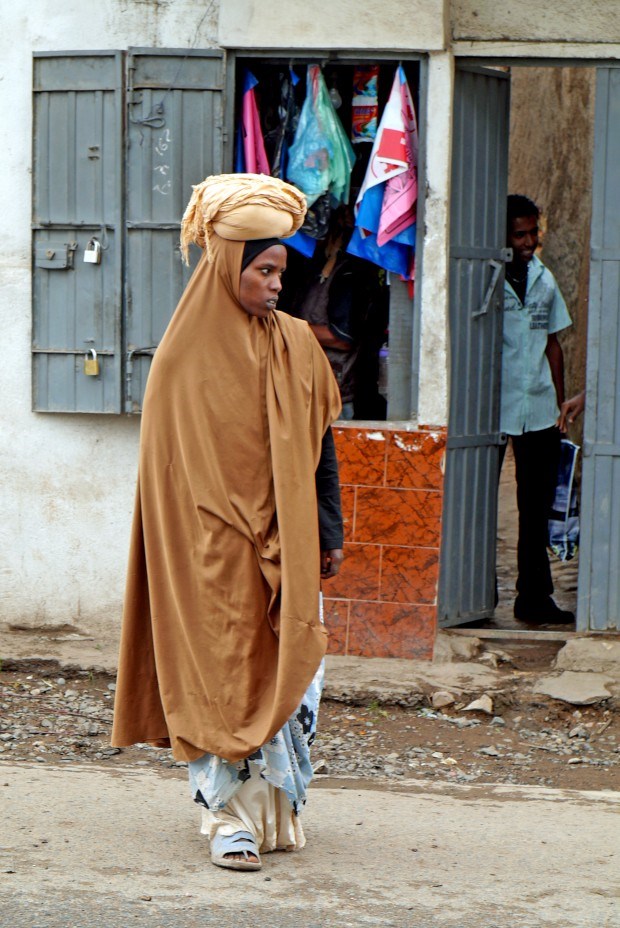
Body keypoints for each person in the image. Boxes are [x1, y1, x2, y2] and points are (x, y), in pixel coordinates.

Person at [111, 174, 344, 872]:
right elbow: (166, 479)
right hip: (210, 556)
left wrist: (328, 532)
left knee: (291, 673)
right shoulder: (181, 361)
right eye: (263, 271)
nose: (276, 285)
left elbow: (322, 448)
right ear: (225, 266)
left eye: (281, 272)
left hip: (289, 544)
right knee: (220, 675)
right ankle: (225, 820)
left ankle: (276, 811)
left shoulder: (297, 344)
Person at [500, 194, 574, 625]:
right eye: (519, 235)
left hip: (540, 407)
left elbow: (553, 343)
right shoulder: (486, 279)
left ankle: (534, 598)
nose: (528, 242)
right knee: (476, 503)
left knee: (535, 507)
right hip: (493, 407)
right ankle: (471, 593)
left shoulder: (544, 279)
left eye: (533, 234)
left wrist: (561, 403)